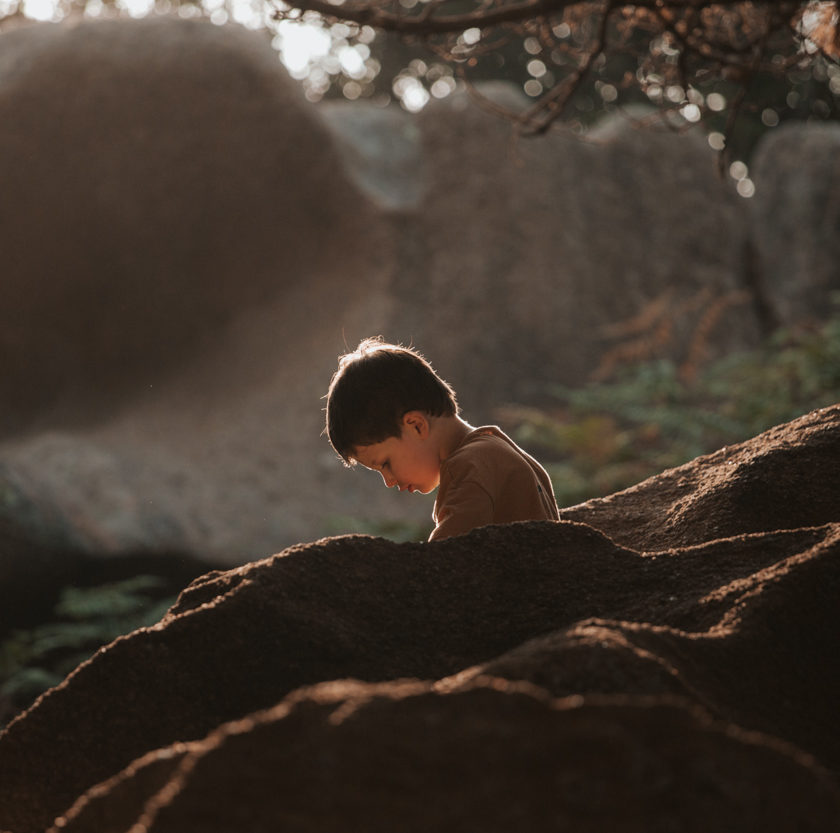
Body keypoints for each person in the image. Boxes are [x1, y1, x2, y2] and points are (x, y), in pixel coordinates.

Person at [325, 337, 559, 541]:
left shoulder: (468, 467)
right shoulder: (501, 451)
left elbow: (443, 564)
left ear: (416, 425)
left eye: (385, 464)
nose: (388, 481)